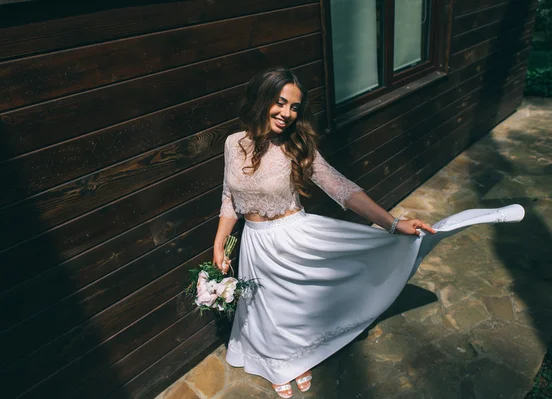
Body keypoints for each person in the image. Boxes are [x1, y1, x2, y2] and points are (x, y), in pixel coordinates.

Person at [211, 68, 522, 397]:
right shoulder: (234, 144)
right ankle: (275, 362)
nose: (287, 113)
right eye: (280, 103)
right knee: (264, 306)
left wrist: (392, 222)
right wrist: (220, 245)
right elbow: (230, 199)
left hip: (292, 236)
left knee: (296, 305)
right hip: (254, 241)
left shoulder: (296, 147)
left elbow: (342, 189)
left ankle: (295, 359)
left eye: (294, 107)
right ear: (261, 100)